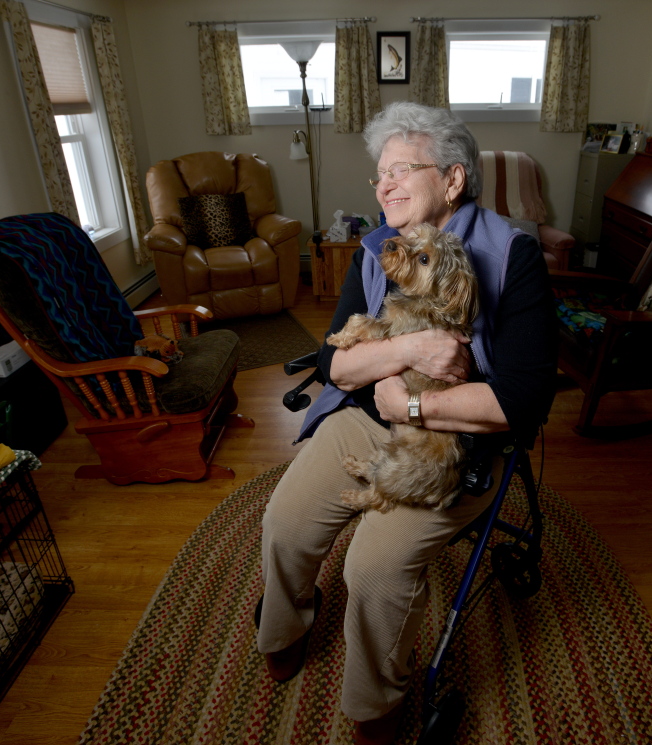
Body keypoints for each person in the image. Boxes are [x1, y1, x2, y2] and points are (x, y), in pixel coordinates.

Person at [256, 101, 557, 744]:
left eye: (402, 169)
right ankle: (289, 621)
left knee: (373, 569)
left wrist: (413, 405)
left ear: (452, 180)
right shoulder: (375, 246)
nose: (384, 184)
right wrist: (407, 354)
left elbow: (524, 401)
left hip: (453, 443)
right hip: (365, 415)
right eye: (379, 173)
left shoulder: (513, 255)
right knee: (284, 522)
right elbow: (334, 365)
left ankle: (376, 701)